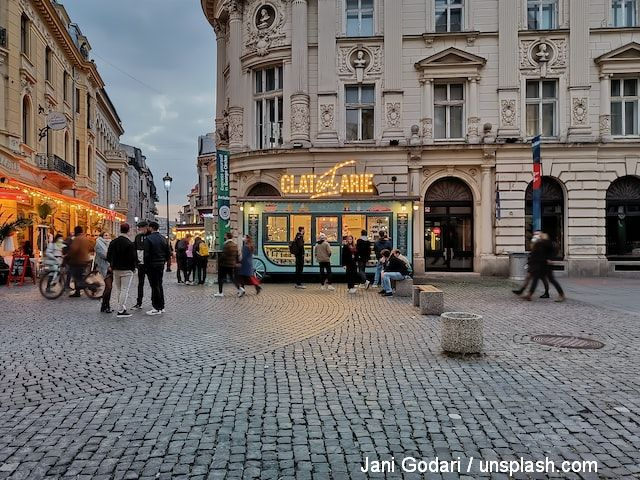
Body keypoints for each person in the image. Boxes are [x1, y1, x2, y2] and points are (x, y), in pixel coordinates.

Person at [524, 232, 565, 302]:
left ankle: (561, 294)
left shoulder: (547, 243)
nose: (539, 237)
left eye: (540, 236)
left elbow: (553, 251)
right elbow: (534, 255)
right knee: (536, 279)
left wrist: (550, 259)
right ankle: (530, 294)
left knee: (551, 279)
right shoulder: (538, 244)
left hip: (546, 265)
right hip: (539, 264)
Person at [106, 224, 137, 317]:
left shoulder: (113, 242)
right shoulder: (129, 243)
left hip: (116, 269)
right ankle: (120, 310)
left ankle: (122, 307)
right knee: (124, 290)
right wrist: (133, 268)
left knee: (119, 289)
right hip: (126, 269)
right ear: (128, 230)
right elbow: (132, 257)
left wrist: (112, 264)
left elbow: (108, 256)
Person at [143, 221, 171, 315]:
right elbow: (168, 252)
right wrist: (164, 261)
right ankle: (161, 306)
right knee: (159, 284)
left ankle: (156, 307)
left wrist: (146, 267)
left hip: (151, 264)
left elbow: (146, 255)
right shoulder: (163, 238)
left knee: (154, 286)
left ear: (151, 228)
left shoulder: (148, 239)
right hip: (160, 264)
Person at [66, 225, 92, 297]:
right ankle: (77, 292)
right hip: (85, 259)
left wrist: (67, 256)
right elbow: (90, 247)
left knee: (76, 276)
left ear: (75, 231)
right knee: (79, 276)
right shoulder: (85, 238)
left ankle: (90, 287)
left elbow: (74, 249)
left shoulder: (77, 239)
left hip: (78, 260)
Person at [215, 232, 242, 297]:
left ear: (227, 237)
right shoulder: (234, 244)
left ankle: (220, 292)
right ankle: (240, 288)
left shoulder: (226, 245)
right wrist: (237, 262)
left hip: (224, 264)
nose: (224, 237)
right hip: (232, 264)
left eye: (225, 236)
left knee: (220, 278)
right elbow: (237, 254)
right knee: (232, 278)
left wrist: (219, 261)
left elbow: (224, 255)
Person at [132, 221, 149, 310]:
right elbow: (135, 249)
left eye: (140, 228)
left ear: (145, 227)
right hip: (140, 264)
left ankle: (155, 303)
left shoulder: (150, 237)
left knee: (153, 284)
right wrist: (135, 263)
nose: (139, 230)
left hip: (149, 264)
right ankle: (139, 302)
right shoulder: (138, 237)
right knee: (140, 284)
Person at [95, 232, 113, 313]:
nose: (107, 236)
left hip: (111, 267)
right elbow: (105, 256)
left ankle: (106, 305)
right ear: (101, 236)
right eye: (105, 235)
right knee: (108, 287)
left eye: (108, 235)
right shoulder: (99, 244)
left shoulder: (110, 243)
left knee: (109, 287)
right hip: (104, 268)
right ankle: (105, 305)